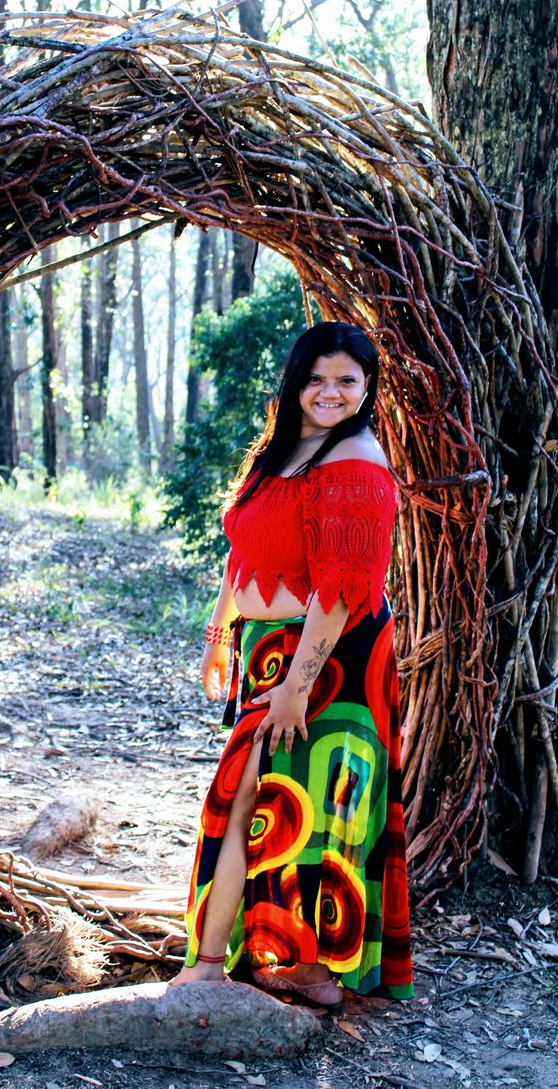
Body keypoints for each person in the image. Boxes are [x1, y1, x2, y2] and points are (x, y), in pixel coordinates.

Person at [169, 321, 413, 1007]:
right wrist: (221, 633)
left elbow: (339, 595)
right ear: (295, 380)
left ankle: (301, 970)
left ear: (368, 389)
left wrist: (294, 690)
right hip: (267, 652)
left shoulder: (357, 462)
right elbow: (242, 544)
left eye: (347, 381)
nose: (330, 393)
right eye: (317, 378)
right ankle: (227, 960)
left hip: (331, 660)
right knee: (256, 799)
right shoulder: (282, 448)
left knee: (288, 803)